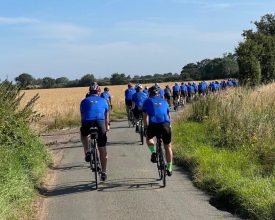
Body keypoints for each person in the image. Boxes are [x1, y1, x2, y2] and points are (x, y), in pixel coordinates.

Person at [80, 82, 110, 181]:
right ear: (98, 92)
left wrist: (84, 126)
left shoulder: (83, 101)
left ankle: (87, 151)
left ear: (89, 91)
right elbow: (106, 117)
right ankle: (104, 172)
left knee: (83, 134)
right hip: (100, 123)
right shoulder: (104, 100)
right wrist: (107, 127)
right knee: (102, 148)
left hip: (87, 122)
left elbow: (82, 116)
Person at [143, 86, 173, 176]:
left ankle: (153, 152)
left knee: (148, 138)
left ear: (149, 93)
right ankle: (170, 168)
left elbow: (145, 117)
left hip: (154, 125)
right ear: (158, 93)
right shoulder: (164, 101)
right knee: (168, 146)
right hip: (165, 125)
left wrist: (146, 127)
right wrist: (169, 125)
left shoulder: (147, 101)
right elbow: (168, 115)